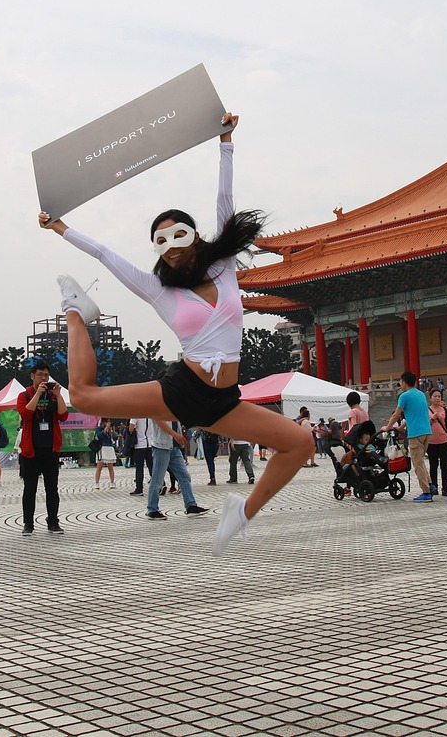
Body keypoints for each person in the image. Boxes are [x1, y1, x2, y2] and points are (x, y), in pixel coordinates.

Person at [38, 113, 313, 554]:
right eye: (160, 242)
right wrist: (59, 227)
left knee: (300, 442)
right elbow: (106, 254)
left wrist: (225, 141)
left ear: (196, 237)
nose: (170, 246)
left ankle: (241, 513)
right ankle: (75, 311)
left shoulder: (224, 269)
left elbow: (226, 199)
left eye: (178, 236)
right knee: (83, 396)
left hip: (222, 401)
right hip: (181, 389)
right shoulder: (158, 289)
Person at [16, 363, 69, 535]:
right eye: (40, 375)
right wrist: (38, 394)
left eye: (46, 375)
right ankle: (28, 523)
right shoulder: (24, 395)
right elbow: (25, 414)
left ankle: (53, 521)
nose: (44, 378)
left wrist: (58, 395)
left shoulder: (53, 396)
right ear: (32, 376)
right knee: (29, 488)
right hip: (31, 450)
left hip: (50, 449)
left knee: (52, 488)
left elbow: (63, 415)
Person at [384, 371, 434, 502]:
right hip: (427, 431)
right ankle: (430, 484)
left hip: (415, 433)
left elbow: (397, 415)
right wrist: (400, 428)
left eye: (401, 381)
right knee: (420, 460)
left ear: (404, 382)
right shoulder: (421, 394)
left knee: (417, 464)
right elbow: (413, 415)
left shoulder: (404, 396)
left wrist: (387, 427)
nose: (400, 384)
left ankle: (426, 492)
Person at [144, 418, 206, 520]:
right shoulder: (157, 404)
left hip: (174, 446)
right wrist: (175, 435)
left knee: (184, 476)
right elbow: (159, 421)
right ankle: (152, 509)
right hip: (161, 446)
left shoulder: (172, 404)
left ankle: (191, 505)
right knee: (157, 479)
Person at [427, 390, 447, 497]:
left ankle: (445, 488)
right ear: (430, 398)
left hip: (444, 441)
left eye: (439, 396)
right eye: (435, 396)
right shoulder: (426, 411)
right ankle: (434, 487)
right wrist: (432, 419)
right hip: (431, 442)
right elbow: (424, 424)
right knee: (433, 465)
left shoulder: (445, 411)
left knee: (444, 465)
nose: (437, 398)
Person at [93, 418, 117, 489]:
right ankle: (97, 483)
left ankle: (112, 482)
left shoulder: (111, 429)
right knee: (99, 467)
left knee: (111, 467)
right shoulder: (99, 429)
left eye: (109, 422)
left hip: (109, 448)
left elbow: (115, 437)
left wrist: (112, 431)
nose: (108, 423)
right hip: (102, 448)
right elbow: (100, 436)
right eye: (107, 422)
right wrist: (106, 428)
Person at [128, 416, 149, 495]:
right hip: (149, 443)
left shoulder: (136, 414)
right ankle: (160, 484)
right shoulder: (150, 414)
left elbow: (131, 429)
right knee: (151, 467)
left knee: (139, 468)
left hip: (139, 444)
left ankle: (139, 488)